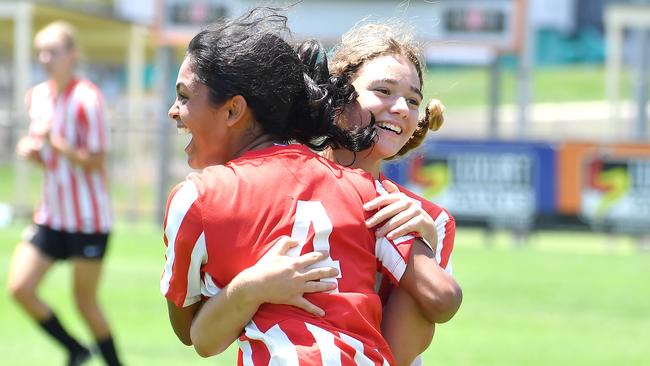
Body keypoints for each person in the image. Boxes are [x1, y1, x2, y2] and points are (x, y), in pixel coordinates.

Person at [160, 8, 457, 365]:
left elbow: (402, 347)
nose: (401, 109)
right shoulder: (287, 184)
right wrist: (251, 288)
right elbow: (202, 338)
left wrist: (429, 248)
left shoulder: (422, 217)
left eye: (413, 100)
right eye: (383, 90)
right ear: (340, 94)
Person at [7, 21, 122, 366]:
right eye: (40, 51)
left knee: (85, 303)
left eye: (52, 51)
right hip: (52, 216)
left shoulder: (88, 99)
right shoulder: (38, 96)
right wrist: (33, 153)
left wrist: (57, 144)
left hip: (88, 219)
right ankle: (75, 350)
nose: (45, 58)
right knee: (20, 288)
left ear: (72, 55)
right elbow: (51, 161)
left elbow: (96, 161)